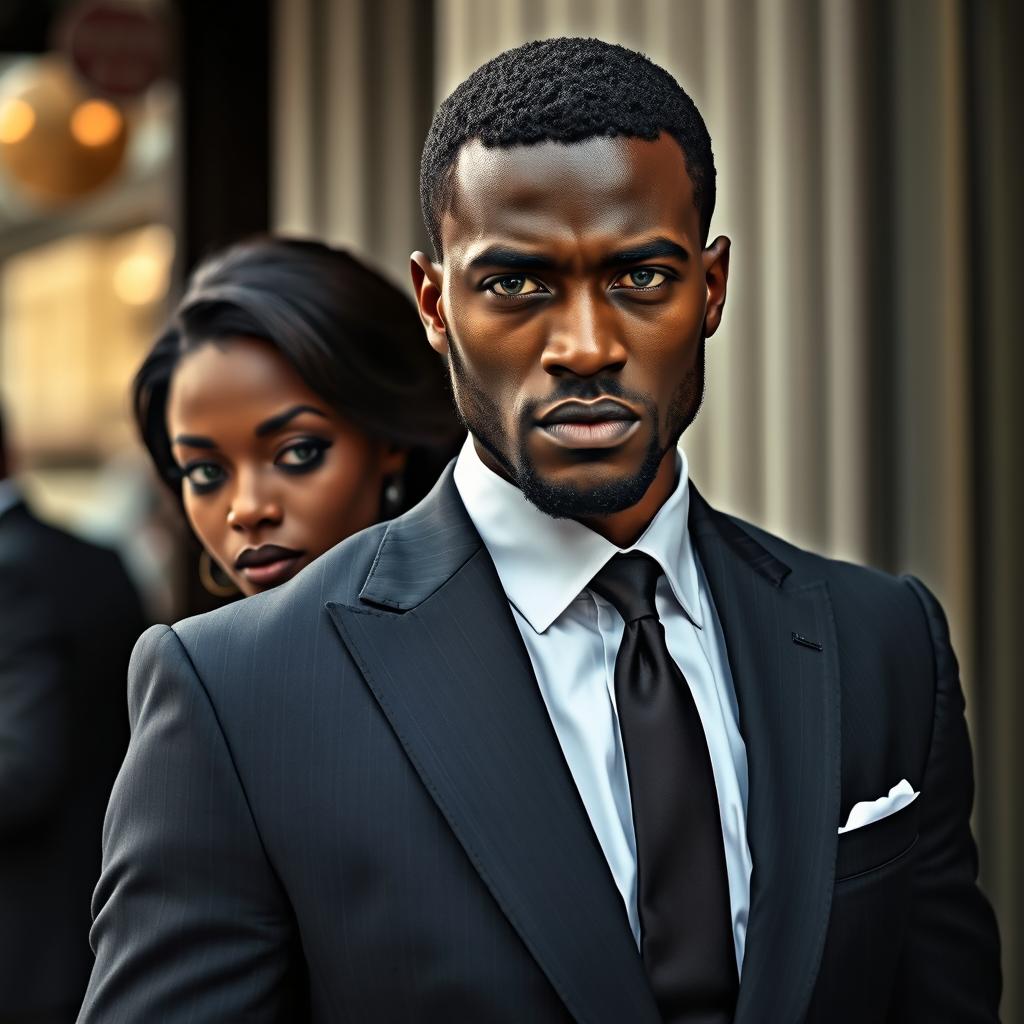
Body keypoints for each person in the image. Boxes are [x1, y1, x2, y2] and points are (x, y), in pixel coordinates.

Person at [80, 38, 1001, 1024]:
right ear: (435, 303)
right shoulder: (239, 692)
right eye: (516, 285)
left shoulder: (881, 640)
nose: (586, 346)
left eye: (641, 276)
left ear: (713, 287)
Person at [131, 237, 462, 599]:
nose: (247, 510)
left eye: (297, 452)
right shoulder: (192, 653)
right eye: (206, 473)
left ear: (390, 440)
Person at [0, 409, 146, 1024]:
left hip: (27, 951)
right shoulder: (99, 558)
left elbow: (21, 772)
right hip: (110, 919)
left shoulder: (11, 573)